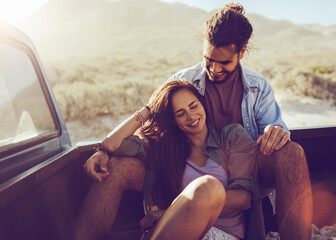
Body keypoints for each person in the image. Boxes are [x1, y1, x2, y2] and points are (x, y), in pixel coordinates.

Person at [77, 3, 312, 240]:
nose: (214, 69)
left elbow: (274, 137)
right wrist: (104, 150)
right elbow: (148, 129)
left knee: (292, 153)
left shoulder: (257, 88)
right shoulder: (182, 82)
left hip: (238, 168)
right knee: (113, 168)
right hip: (182, 164)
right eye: (208, 59)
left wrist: (276, 133)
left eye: (224, 63)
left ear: (241, 53)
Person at [80, 79, 259, 240]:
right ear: (173, 120)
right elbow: (112, 144)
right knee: (112, 166)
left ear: (202, 104)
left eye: (193, 106)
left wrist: (169, 213)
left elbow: (243, 198)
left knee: (208, 187)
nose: (191, 116)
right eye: (180, 113)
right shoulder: (164, 149)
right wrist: (149, 110)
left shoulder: (231, 136)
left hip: (223, 234)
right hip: (179, 232)